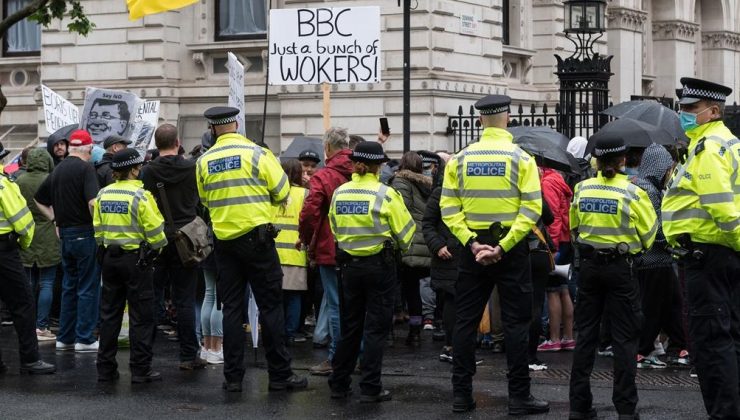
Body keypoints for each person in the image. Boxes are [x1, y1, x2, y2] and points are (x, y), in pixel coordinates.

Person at [440, 94, 548, 415]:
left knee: (465, 322)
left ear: (478, 122)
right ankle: (518, 398)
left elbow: (448, 208)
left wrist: (472, 243)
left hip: (472, 249)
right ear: (509, 119)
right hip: (510, 251)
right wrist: (503, 246)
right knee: (515, 323)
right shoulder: (521, 159)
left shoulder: (459, 159)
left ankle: (461, 395)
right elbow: (532, 209)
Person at [196, 106, 307, 393]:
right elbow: (283, 192)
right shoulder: (258, 154)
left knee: (231, 309)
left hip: (224, 243)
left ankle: (233, 378)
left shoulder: (204, 160)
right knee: (270, 307)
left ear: (213, 129)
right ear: (236, 124)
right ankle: (280, 375)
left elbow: (206, 201)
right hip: (257, 241)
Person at [662, 77, 740, 419]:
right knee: (729, 339)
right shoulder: (728, 144)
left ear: (712, 111)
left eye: (691, 109)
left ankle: (724, 413)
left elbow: (721, 206)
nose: (684, 114)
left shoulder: (709, 149)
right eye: (683, 108)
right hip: (719, 255)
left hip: (707, 256)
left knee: (711, 344)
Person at [568, 135, 657, 420]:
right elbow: (649, 235)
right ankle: (626, 408)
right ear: (623, 160)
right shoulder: (633, 193)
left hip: (590, 269)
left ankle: (579, 407)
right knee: (624, 339)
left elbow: (574, 227)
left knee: (585, 338)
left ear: (596, 160)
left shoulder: (582, 188)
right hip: (621, 268)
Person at [327, 141, 415, 402]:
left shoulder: (340, 193)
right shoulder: (385, 194)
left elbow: (334, 228)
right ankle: (370, 386)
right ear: (378, 166)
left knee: (349, 327)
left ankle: (339, 383)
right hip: (379, 267)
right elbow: (406, 233)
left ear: (354, 165)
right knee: (375, 328)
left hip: (349, 268)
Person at [93, 148, 167, 383]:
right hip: (136, 260)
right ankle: (140, 369)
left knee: (109, 315)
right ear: (135, 169)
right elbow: (157, 234)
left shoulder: (103, 194)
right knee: (141, 316)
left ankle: (105, 369)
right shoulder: (140, 196)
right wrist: (157, 249)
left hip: (109, 259)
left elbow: (98, 230)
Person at [141, 123, 205, 370]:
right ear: (178, 142)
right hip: (186, 238)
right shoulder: (192, 167)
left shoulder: (147, 172)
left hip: (156, 238)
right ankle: (189, 355)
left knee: (152, 296)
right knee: (185, 299)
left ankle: (146, 354)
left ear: (156, 144)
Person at [34, 129, 101, 354]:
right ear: (88, 149)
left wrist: (55, 220)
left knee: (69, 287)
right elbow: (92, 203)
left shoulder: (58, 169)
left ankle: (65, 337)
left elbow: (39, 199)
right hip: (85, 232)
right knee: (87, 287)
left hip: (66, 235)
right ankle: (84, 338)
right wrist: (99, 228)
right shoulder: (86, 168)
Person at [298, 127, 353, 376]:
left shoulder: (324, 177)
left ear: (328, 148)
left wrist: (306, 239)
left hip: (330, 249)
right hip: (362, 248)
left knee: (334, 305)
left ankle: (336, 358)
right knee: (356, 305)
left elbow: (310, 213)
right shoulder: (362, 170)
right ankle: (357, 354)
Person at [632, 143, 688, 369]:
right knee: (655, 307)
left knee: (671, 304)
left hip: (652, 260)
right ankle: (642, 351)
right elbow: (655, 226)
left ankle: (680, 346)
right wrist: (673, 242)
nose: (669, 173)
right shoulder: (650, 191)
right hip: (656, 259)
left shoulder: (639, 186)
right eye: (668, 168)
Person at [0, 150, 56, 375]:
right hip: (4, 251)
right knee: (23, 304)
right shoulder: (4, 184)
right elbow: (22, 219)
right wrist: (23, 243)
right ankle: (30, 359)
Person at [15, 148, 60, 342]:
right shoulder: (52, 179)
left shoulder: (19, 181)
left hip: (26, 234)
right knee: (47, 283)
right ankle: (42, 326)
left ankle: (28, 324)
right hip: (49, 235)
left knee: (28, 283)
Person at [390, 151, 432, 346]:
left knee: (394, 288)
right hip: (424, 244)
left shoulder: (400, 182)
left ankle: (389, 332)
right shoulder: (428, 184)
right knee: (413, 289)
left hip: (407, 244)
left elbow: (400, 210)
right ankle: (415, 331)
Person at [422, 175, 462, 363]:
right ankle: (451, 346)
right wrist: (437, 245)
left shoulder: (470, 192)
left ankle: (458, 346)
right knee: (452, 300)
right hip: (447, 255)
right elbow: (428, 223)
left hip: (464, 252)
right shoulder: (440, 193)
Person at [537, 165, 575, 352]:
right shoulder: (558, 179)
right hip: (566, 240)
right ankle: (568, 337)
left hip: (557, 242)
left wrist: (552, 247)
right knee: (564, 289)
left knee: (553, 290)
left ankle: (554, 339)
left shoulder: (547, 182)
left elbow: (553, 218)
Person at [275, 159, 308, 345]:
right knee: (294, 296)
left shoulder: (273, 194)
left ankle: (276, 332)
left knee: (276, 297)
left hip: (274, 253)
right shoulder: (305, 194)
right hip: (296, 252)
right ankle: (290, 333)